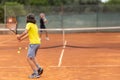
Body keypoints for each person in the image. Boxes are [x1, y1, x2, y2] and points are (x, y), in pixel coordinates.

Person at [17, 13, 43, 78]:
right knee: (32, 57)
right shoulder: (35, 25)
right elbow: (28, 34)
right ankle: (39, 68)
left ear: (28, 19)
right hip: (38, 43)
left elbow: (25, 32)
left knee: (28, 58)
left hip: (33, 44)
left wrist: (19, 36)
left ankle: (35, 73)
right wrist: (21, 38)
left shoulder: (28, 24)